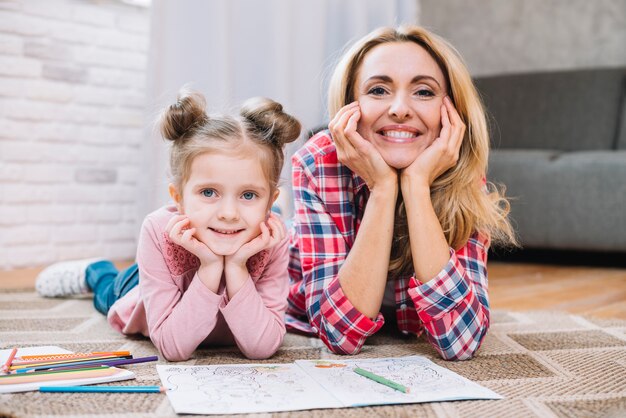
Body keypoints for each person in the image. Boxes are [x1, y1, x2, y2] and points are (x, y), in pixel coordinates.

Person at [286, 25, 517, 360]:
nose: (399, 109)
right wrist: (382, 188)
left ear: (449, 111)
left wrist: (416, 185)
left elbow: (461, 341)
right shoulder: (318, 162)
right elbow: (339, 336)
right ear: (351, 107)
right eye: (378, 90)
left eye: (423, 92)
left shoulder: (461, 170)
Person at [35, 90, 301, 361]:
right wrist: (210, 267)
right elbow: (174, 349)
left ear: (270, 203)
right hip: (141, 285)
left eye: (248, 195)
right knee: (108, 291)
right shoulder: (157, 229)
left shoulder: (272, 237)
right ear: (178, 198)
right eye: (209, 192)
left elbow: (263, 347)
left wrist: (236, 266)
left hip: (188, 275)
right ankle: (95, 270)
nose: (229, 213)